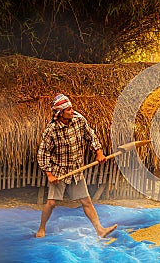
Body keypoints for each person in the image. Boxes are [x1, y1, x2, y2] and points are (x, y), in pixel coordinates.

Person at [35, 93, 117, 238]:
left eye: (71, 108)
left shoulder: (79, 120)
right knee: (52, 203)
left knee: (86, 201)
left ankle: (100, 230)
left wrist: (98, 152)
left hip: (76, 169)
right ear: (60, 113)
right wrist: (49, 174)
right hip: (59, 171)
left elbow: (90, 136)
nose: (72, 111)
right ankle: (41, 228)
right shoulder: (51, 130)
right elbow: (43, 153)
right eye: (68, 110)